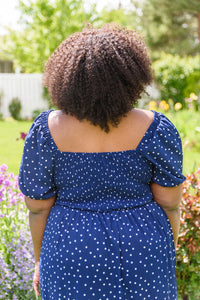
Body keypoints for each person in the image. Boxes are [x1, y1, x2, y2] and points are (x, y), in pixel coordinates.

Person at [19, 24, 186, 300]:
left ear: (67, 77)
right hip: (143, 249)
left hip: (70, 250)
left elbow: (37, 209)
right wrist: (165, 251)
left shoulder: (47, 129)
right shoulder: (156, 128)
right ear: (132, 75)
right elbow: (170, 203)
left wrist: (40, 262)